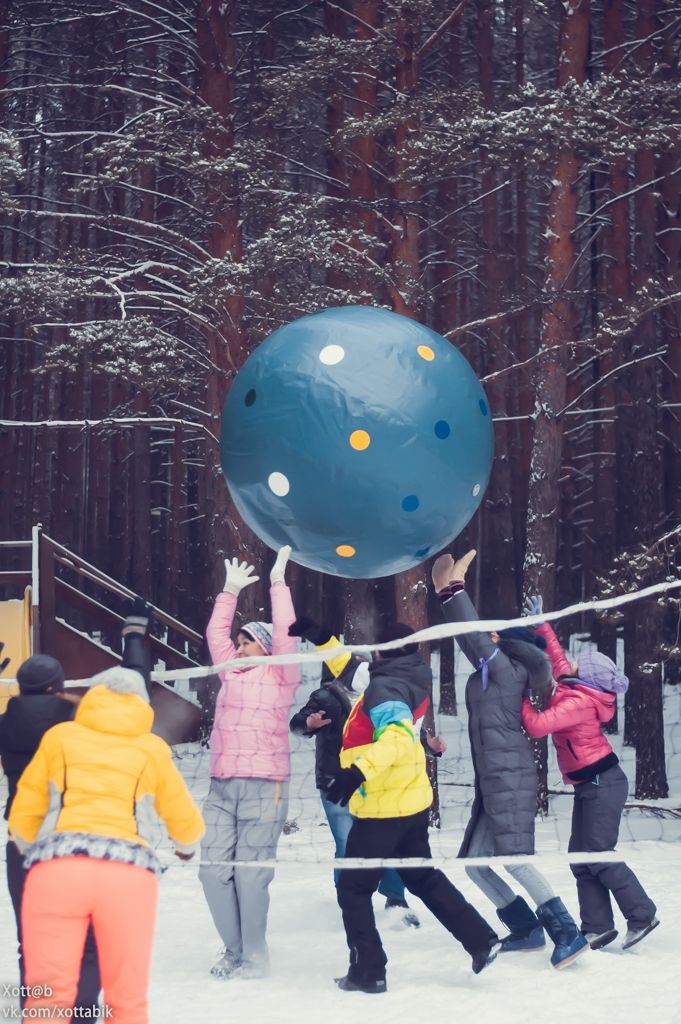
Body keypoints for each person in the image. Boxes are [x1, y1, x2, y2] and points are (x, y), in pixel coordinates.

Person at [8, 601, 204, 1024]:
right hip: (127, 873)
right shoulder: (151, 747)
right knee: (126, 1001)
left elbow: (26, 809)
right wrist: (186, 848)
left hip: (57, 867)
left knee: (46, 997)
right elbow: (183, 817)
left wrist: (28, 847)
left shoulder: (62, 736)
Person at [431, 550, 588, 970]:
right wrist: (444, 594)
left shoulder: (507, 672)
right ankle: (525, 928)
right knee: (475, 866)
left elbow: (476, 637)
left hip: (511, 779)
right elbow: (470, 638)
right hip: (493, 781)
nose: (489, 637)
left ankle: (567, 934)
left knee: (516, 860)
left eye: (497, 635)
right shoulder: (492, 671)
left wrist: (457, 590)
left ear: (511, 646)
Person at [328, 621, 500, 994]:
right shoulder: (406, 672)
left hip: (383, 806)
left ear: (382, 651)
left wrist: (356, 772)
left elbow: (397, 740)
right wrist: (318, 637)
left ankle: (368, 971)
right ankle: (481, 940)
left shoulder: (385, 688)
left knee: (353, 889)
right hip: (410, 800)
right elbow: (350, 668)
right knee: (422, 877)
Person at [520, 595, 659, 951]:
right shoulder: (578, 686)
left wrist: (517, 694)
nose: (574, 667)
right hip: (590, 783)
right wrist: (541, 625)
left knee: (596, 853)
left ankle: (642, 915)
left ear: (589, 678)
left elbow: (536, 726)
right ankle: (597, 927)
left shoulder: (577, 702)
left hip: (603, 782)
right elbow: (558, 659)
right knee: (581, 859)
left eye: (581, 667)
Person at [199, 545, 300, 980]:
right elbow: (215, 638)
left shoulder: (282, 672)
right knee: (212, 872)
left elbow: (286, 630)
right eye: (238, 642)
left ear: (267, 647)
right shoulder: (230, 672)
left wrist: (278, 583)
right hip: (222, 786)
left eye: (247, 642)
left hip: (265, 783)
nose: (238, 648)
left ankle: (254, 958)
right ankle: (234, 950)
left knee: (250, 877)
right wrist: (229, 592)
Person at [288, 616, 420, 927]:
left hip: (374, 782)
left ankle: (396, 900)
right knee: (347, 843)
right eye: (355, 662)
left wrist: (429, 744)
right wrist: (307, 724)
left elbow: (401, 734)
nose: (360, 665)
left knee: (386, 844)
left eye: (363, 660)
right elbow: (297, 723)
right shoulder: (325, 695)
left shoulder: (385, 696)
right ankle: (348, 898)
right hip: (336, 782)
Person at [0, 654, 100, 1011]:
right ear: (58, 686)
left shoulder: (5, 724)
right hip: (73, 837)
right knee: (86, 937)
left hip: (23, 841)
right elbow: (132, 702)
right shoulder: (77, 720)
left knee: (31, 938)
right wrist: (135, 636)